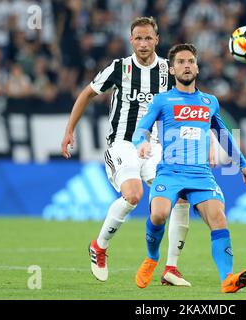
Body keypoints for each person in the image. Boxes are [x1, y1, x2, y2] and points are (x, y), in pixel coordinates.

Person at [61, 17, 191, 287]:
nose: (143, 44)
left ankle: (171, 269)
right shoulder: (119, 68)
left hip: (155, 147)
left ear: (157, 40)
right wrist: (69, 130)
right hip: (122, 143)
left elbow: (188, 102)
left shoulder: (169, 70)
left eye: (148, 38)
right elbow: (87, 94)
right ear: (131, 41)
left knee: (179, 197)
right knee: (133, 195)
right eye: (138, 38)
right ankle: (99, 246)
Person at [132, 43, 246, 293]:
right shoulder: (162, 101)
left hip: (201, 174)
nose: (186, 65)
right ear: (172, 68)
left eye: (190, 61)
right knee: (158, 215)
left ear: (197, 67)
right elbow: (140, 129)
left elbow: (223, 135)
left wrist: (242, 164)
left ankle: (227, 279)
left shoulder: (210, 102)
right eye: (180, 62)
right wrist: (142, 142)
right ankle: (152, 258)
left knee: (219, 219)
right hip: (170, 171)